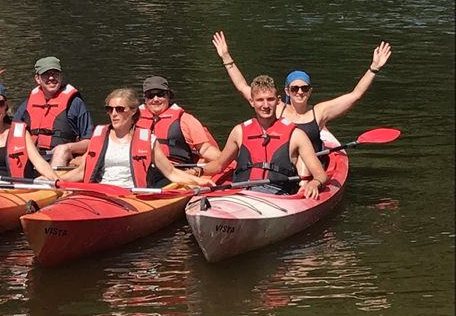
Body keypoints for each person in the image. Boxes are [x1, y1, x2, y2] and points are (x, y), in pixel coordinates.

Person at [212, 31, 392, 152]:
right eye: (295, 88)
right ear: (287, 91)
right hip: (285, 165)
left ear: (310, 91)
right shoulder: (276, 108)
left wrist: (374, 68)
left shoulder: (320, 112)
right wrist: (226, 57)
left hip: (311, 167)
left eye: (304, 88)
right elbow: (243, 87)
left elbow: (355, 95)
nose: (300, 92)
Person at [198, 75, 329, 199]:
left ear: (278, 100)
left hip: (277, 196)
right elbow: (219, 165)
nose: (265, 105)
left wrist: (315, 183)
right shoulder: (239, 131)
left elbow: (321, 175)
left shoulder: (296, 135)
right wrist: (195, 172)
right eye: (260, 100)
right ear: (252, 102)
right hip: (241, 192)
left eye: (270, 99)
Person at [60, 89, 214, 189]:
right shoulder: (99, 136)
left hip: (130, 197)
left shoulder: (148, 141)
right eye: (109, 109)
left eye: (120, 109)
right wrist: (54, 181)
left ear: (133, 112)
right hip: (98, 193)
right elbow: (81, 172)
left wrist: (199, 181)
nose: (114, 114)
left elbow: (171, 172)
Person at [137, 76, 221, 187]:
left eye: (160, 94)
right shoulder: (133, 120)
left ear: (168, 96)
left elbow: (205, 149)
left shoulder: (185, 119)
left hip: (176, 173)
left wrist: (225, 161)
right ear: (145, 98)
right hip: (142, 171)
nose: (155, 99)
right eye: (150, 95)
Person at [13, 56, 93, 167]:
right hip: (33, 156)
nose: (51, 78)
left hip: (62, 158)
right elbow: (13, 134)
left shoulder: (75, 103)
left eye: (55, 73)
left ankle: (51, 181)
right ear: (37, 79)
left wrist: (67, 148)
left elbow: (89, 142)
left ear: (61, 76)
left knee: (61, 151)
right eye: (46, 74)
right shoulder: (27, 104)